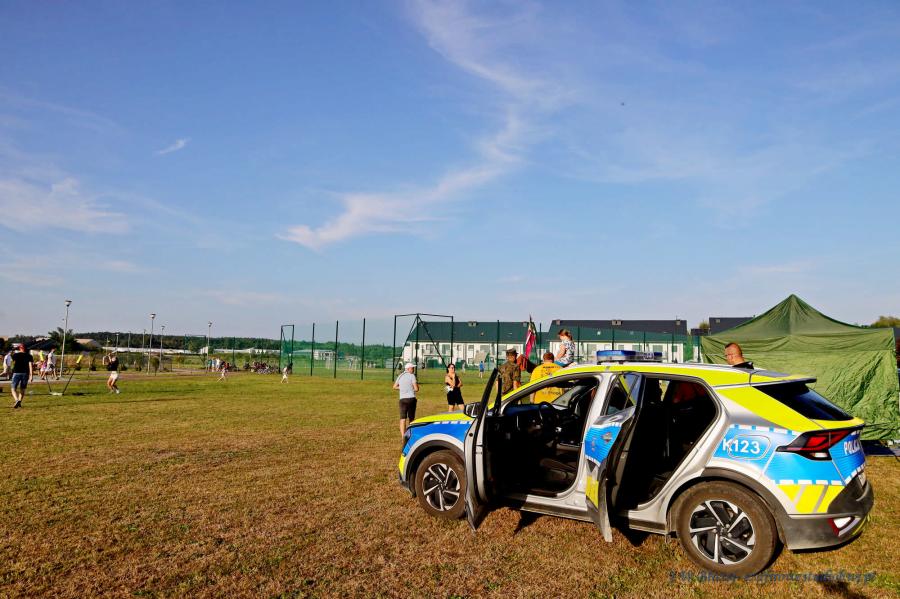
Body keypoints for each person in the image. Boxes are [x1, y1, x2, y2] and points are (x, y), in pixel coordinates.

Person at [393, 362, 419, 437]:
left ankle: (403, 436)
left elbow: (394, 386)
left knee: (403, 419)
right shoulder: (412, 376)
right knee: (411, 418)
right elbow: (416, 389)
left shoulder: (400, 375)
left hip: (402, 400)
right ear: (408, 369)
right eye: (412, 368)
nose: (413, 369)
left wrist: (402, 388)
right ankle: (411, 434)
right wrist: (410, 389)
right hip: (411, 399)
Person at [10, 344, 33, 408]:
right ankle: (19, 402)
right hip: (25, 373)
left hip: (16, 373)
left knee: (13, 388)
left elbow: (12, 363)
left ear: (20, 348)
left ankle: (17, 400)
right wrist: (31, 376)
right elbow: (30, 366)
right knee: (22, 388)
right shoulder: (29, 356)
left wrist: (11, 371)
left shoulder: (15, 355)